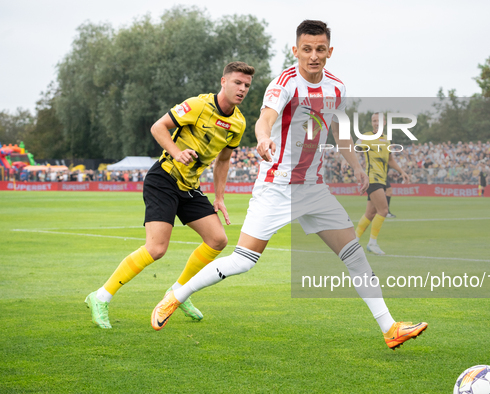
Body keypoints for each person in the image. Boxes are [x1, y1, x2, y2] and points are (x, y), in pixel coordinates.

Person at [151, 20, 427, 351]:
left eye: (320, 49)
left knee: (354, 254)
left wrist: (356, 167)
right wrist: (264, 138)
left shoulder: (336, 87)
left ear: (330, 52)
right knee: (243, 260)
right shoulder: (284, 83)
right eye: (306, 49)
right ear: (295, 51)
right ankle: (176, 295)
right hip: (276, 186)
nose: (313, 56)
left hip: (314, 188)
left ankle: (390, 328)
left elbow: (338, 130)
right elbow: (264, 118)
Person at [85, 61, 255, 329]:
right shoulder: (198, 106)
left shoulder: (238, 122)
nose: (242, 89)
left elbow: (223, 161)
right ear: (223, 81)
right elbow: (157, 127)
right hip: (163, 178)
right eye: (237, 82)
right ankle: (101, 296)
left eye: (247, 85)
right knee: (156, 248)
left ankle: (177, 293)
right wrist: (177, 153)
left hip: (189, 186)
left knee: (217, 240)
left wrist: (219, 197)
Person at [355, 113, 409, 255]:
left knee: (370, 213)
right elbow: (353, 150)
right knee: (383, 210)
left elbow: (390, 160)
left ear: (384, 122)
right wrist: (348, 163)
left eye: (378, 121)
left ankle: (353, 242)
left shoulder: (387, 139)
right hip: (371, 178)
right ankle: (372, 243)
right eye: (373, 121)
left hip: (382, 179)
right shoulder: (365, 137)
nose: (376, 123)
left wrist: (402, 171)